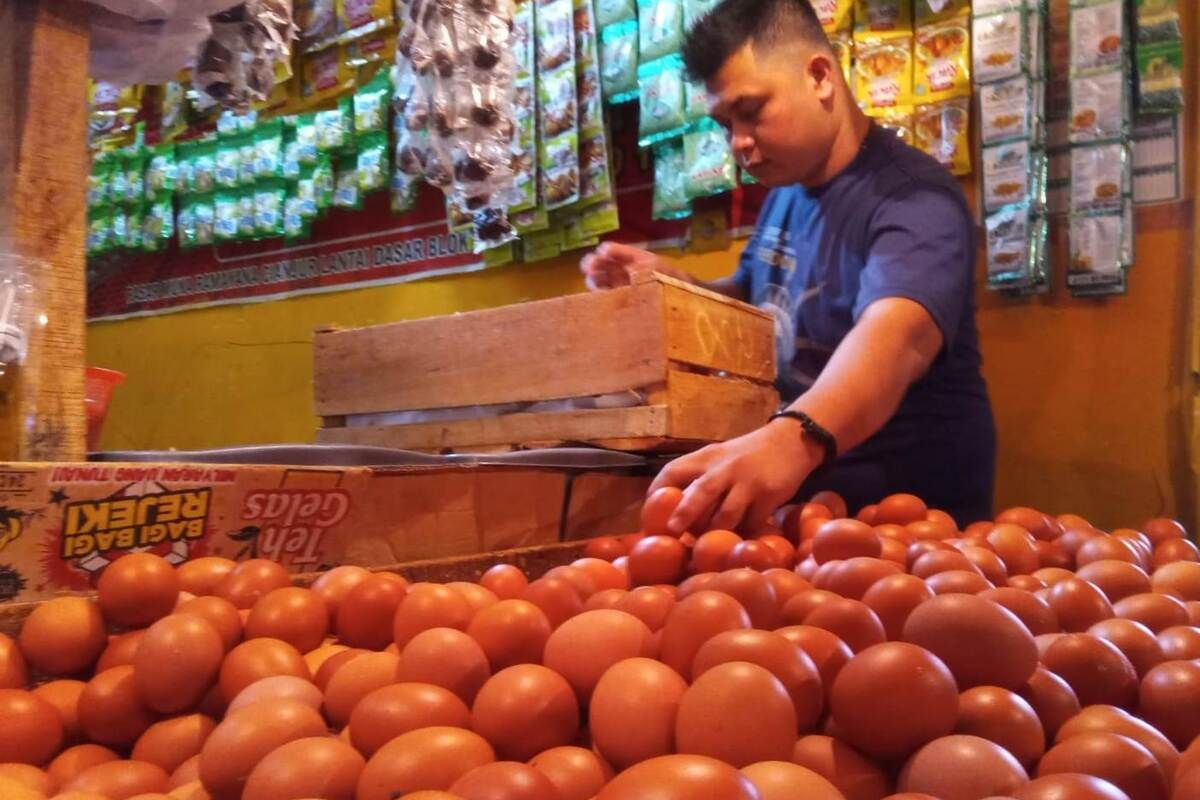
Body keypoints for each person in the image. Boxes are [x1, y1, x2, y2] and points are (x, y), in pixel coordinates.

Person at [579, 0, 994, 533]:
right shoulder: (789, 191)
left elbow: (898, 337)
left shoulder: (915, 199)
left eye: (750, 111)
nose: (739, 143)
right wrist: (678, 284)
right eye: (726, 123)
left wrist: (792, 437)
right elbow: (758, 302)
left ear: (819, 76)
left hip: (910, 526)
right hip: (807, 515)